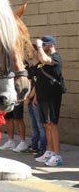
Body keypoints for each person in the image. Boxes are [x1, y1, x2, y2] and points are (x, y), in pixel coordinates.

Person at [33, 35, 64, 167]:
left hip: (52, 96)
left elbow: (45, 59)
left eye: (43, 45)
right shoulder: (42, 60)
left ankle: (57, 155)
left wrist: (39, 47)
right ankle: (50, 151)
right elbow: (39, 77)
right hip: (42, 97)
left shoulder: (56, 57)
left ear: (50, 45)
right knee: (46, 124)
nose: (40, 48)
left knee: (52, 124)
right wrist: (35, 96)